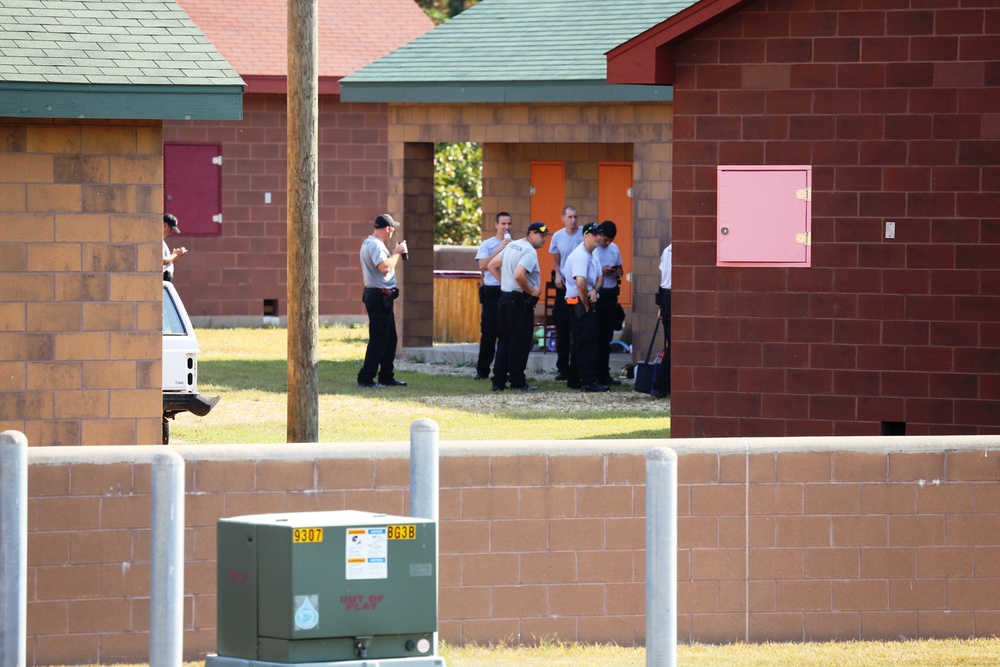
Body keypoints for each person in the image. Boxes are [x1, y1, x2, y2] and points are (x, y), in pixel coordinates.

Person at [487, 221, 551, 392]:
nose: (545, 239)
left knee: (504, 341)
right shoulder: (529, 251)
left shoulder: (513, 245)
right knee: (520, 342)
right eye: (542, 235)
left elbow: (491, 266)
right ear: (531, 234)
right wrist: (531, 290)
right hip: (520, 303)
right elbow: (519, 274)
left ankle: (498, 381)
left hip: (505, 298)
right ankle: (517, 380)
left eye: (546, 235)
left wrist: (505, 284)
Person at [357, 214, 408, 389]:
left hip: (379, 296)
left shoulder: (368, 242)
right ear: (387, 228)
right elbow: (384, 267)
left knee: (389, 338)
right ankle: (366, 377)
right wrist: (397, 253)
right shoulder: (377, 245)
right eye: (392, 227)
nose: (394, 230)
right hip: (379, 297)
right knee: (379, 339)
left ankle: (386, 376)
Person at [564, 223, 608, 393]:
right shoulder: (581, 256)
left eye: (600, 234)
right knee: (586, 343)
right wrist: (586, 305)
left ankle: (574, 378)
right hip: (578, 303)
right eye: (595, 234)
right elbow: (580, 283)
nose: (598, 237)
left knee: (581, 342)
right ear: (586, 235)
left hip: (585, 300)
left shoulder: (593, 254)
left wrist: (595, 290)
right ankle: (588, 381)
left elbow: (600, 277)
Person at [473, 212, 514, 380]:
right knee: (489, 332)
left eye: (509, 224)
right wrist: (500, 249)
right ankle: (482, 370)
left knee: (508, 332)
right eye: (503, 224)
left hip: (508, 290)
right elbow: (482, 265)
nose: (506, 227)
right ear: (496, 225)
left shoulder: (515, 244)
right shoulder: (487, 244)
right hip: (492, 291)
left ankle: (505, 370)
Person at [548, 206, 582, 381]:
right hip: (563, 288)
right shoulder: (558, 236)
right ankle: (562, 368)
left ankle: (577, 368)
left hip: (579, 287)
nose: (573, 220)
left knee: (578, 328)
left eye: (576, 217)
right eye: (570, 217)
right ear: (563, 218)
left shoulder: (584, 234)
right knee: (562, 329)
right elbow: (556, 261)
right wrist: (558, 275)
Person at [594, 221, 624, 387]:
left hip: (611, 294)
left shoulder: (614, 249)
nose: (607, 243)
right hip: (597, 294)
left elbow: (621, 267)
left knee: (606, 337)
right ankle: (594, 374)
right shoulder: (594, 248)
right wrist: (601, 271)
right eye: (606, 239)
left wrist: (618, 271)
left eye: (610, 240)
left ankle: (604, 373)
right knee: (596, 336)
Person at [651, 243, 672, 398]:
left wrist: (661, 305)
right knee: (674, 345)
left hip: (666, 296)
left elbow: (663, 277)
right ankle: (660, 384)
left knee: (671, 343)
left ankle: (663, 384)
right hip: (674, 296)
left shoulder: (667, 249)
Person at [162, 213, 187, 282]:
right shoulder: (155, 241)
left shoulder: (161, 242)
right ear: (165, 225)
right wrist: (175, 254)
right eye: (171, 230)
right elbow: (161, 261)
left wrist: (174, 255)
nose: (170, 233)